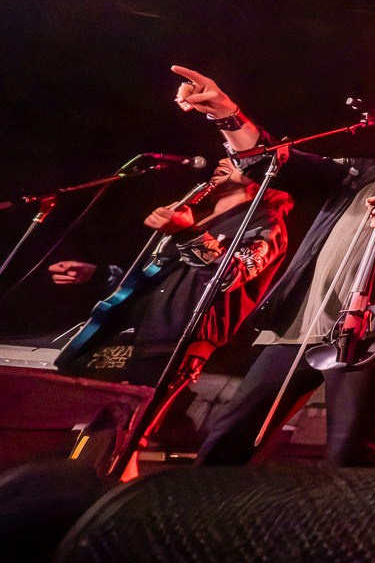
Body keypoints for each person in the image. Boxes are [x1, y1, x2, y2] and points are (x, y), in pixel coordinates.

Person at [166, 68, 375, 467]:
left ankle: (339, 528)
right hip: (302, 323)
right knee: (232, 432)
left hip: (373, 329)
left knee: (351, 447)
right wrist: (226, 113)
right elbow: (272, 162)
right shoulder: (360, 171)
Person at [48, 157, 290, 404]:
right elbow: (157, 281)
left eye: (238, 160)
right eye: (225, 155)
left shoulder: (266, 222)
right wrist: (98, 274)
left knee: (127, 423)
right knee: (80, 413)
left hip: (174, 344)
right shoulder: (193, 217)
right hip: (126, 335)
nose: (223, 160)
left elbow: (230, 275)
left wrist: (185, 233)